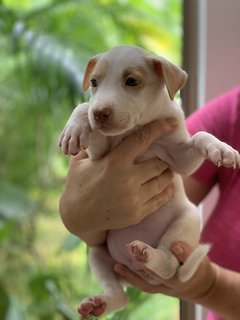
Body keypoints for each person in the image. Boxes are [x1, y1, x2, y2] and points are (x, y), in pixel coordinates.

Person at [59, 87, 240, 320]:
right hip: (119, 257)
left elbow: (182, 163)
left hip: (163, 257)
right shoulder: (233, 108)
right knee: (97, 255)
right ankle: (114, 292)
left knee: (190, 216)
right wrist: (77, 214)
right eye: (96, 82)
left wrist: (211, 285)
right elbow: (128, 195)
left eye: (132, 82)